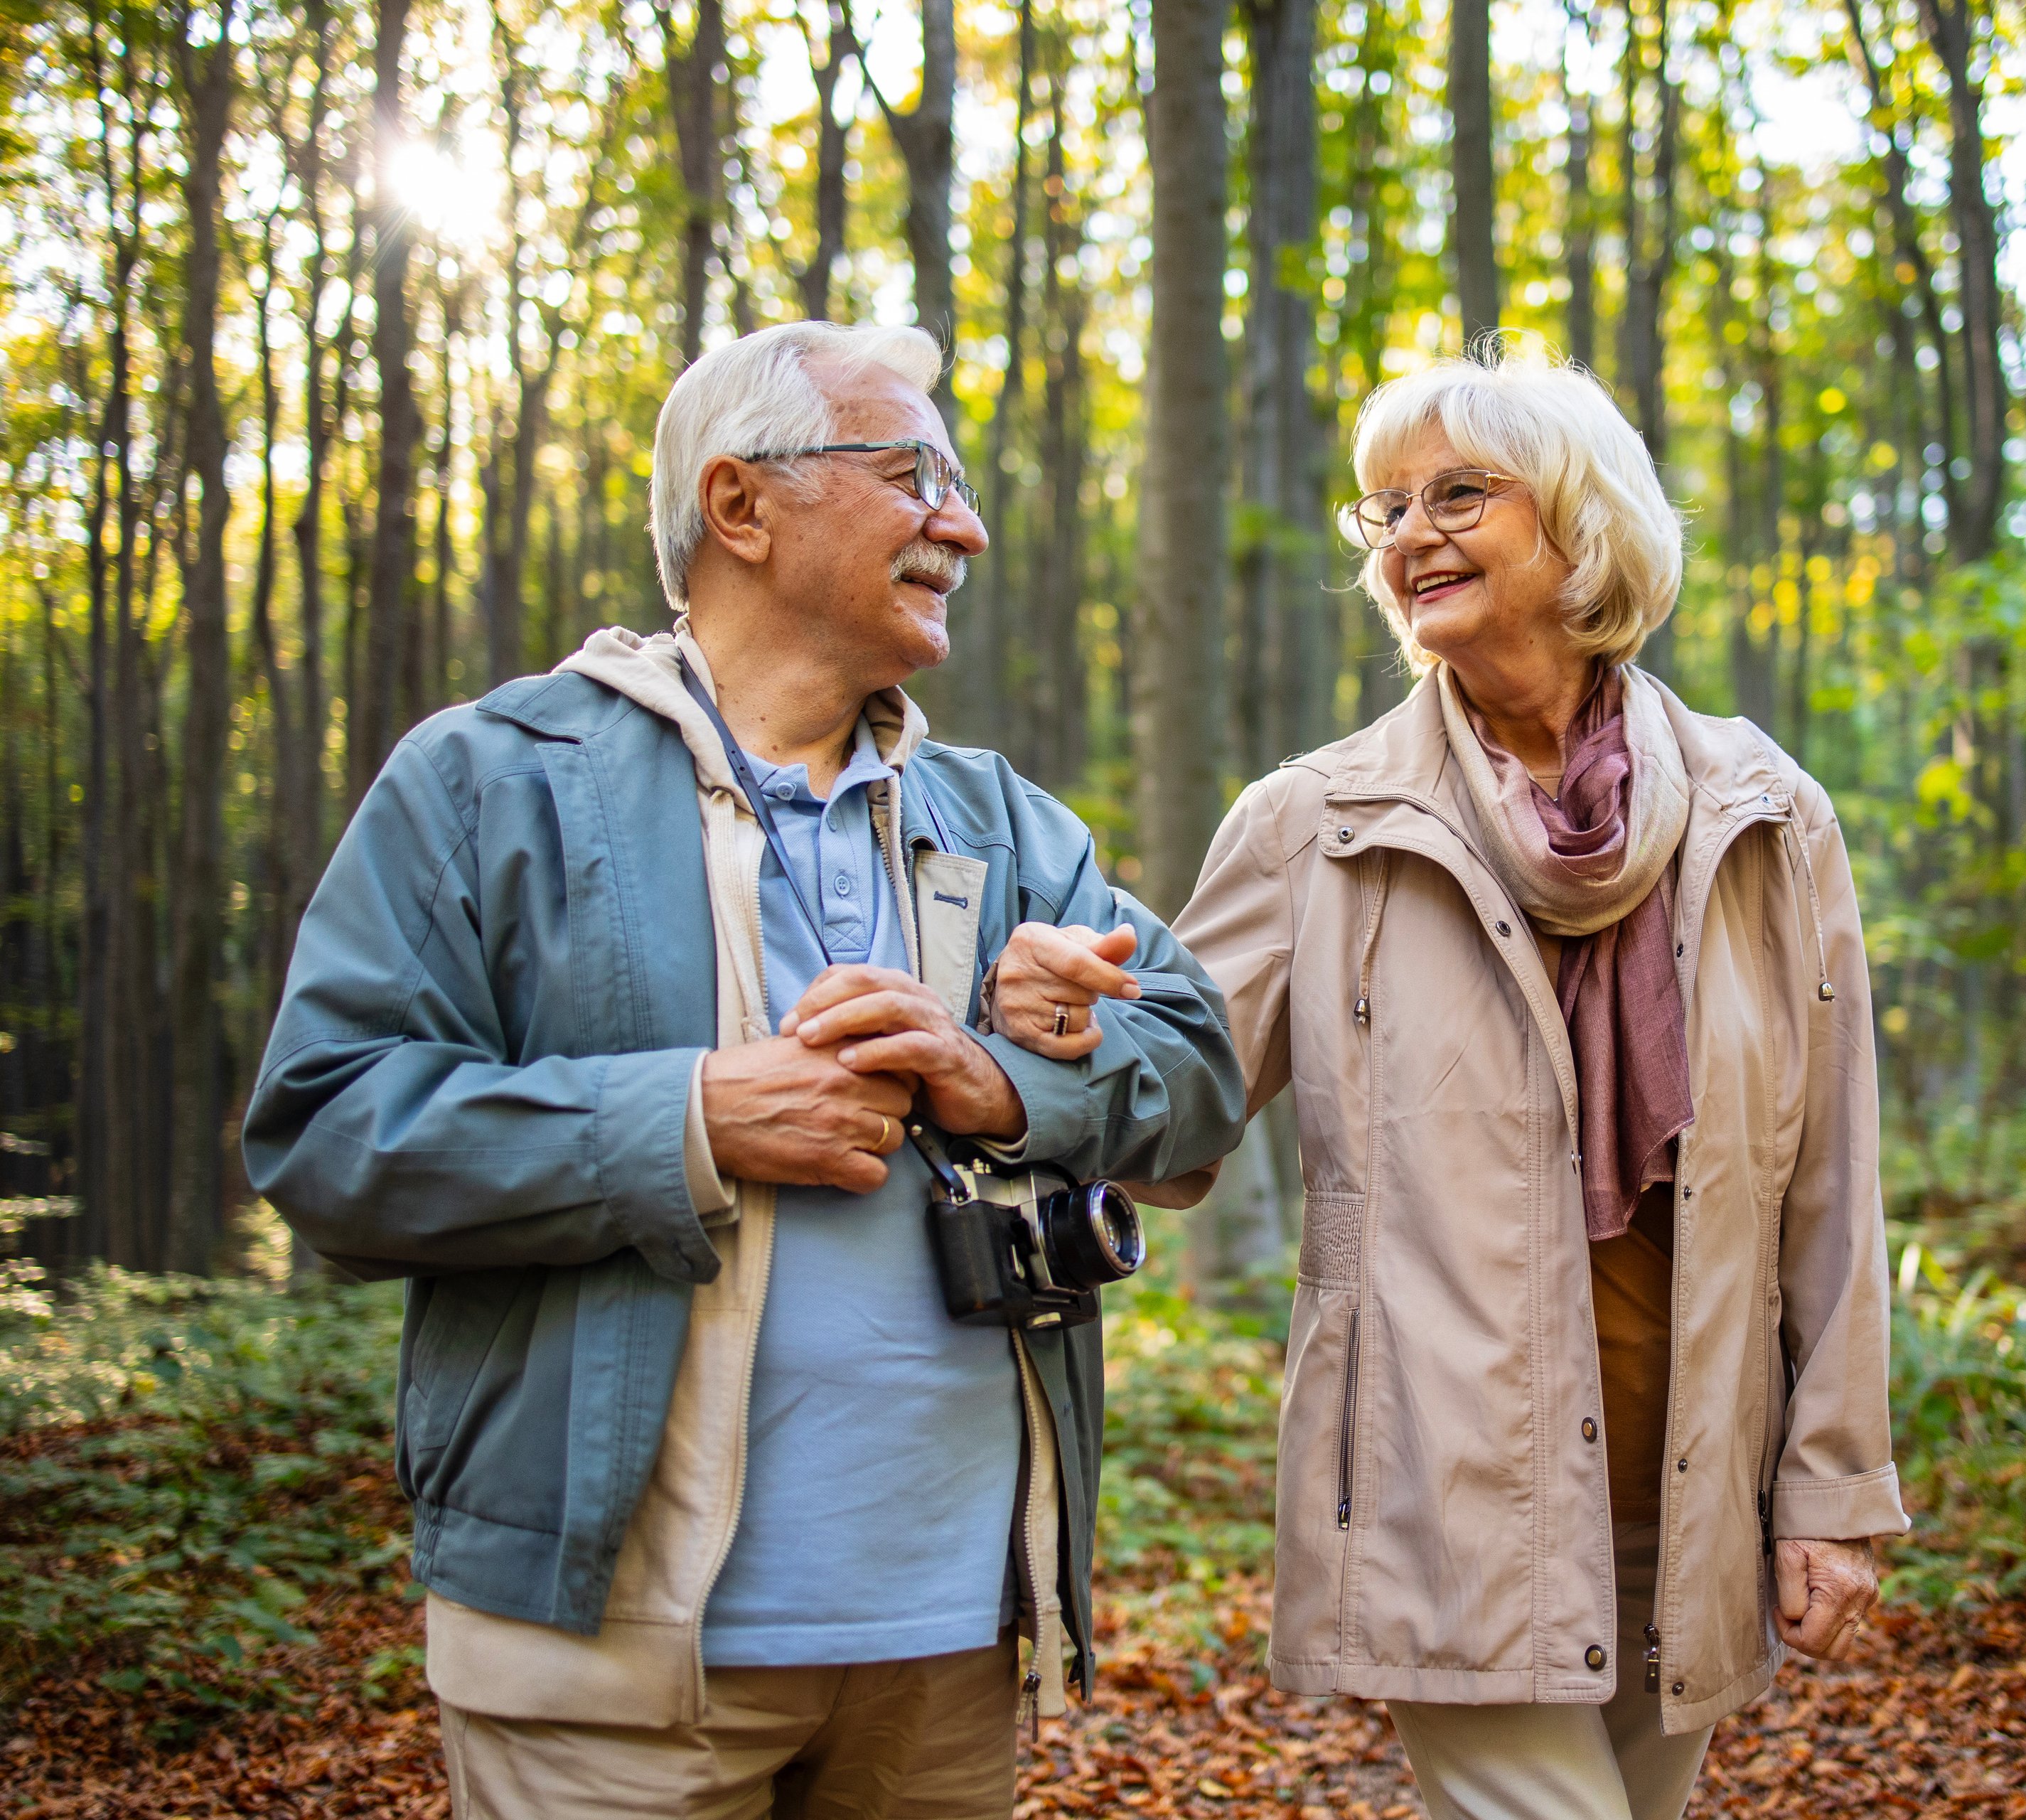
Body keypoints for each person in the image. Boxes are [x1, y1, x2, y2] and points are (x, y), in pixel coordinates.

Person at [243, 320, 1245, 1820]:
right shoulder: (493, 778)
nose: (961, 523)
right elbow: (329, 1136)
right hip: (611, 1659)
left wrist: (1012, 1076)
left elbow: (1204, 1080)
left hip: (953, 1645)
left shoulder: (1003, 822)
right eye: (914, 474)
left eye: (959, 486)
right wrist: (691, 1118)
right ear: (741, 506)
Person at [992, 345, 1906, 1820]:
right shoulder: (1320, 819)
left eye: (1458, 494)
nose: (1407, 533)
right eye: (1385, 508)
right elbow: (1175, 1099)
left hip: (1687, 1481)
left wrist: (1834, 1489)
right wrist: (1065, 1030)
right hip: (1444, 1482)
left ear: (1585, 521)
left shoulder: (1765, 814)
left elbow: (1831, 1189)